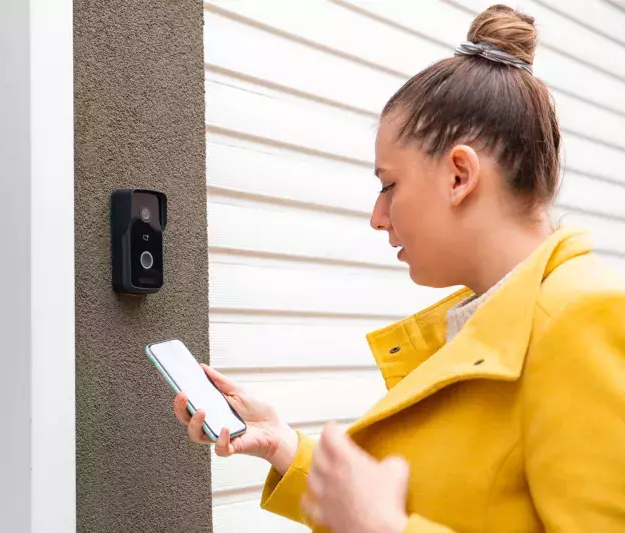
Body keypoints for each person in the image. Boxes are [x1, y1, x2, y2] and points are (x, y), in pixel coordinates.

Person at [172, 4, 625, 532]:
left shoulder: (582, 318)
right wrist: (283, 444)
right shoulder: (491, 320)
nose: (377, 216)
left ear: (459, 175)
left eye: (389, 184)